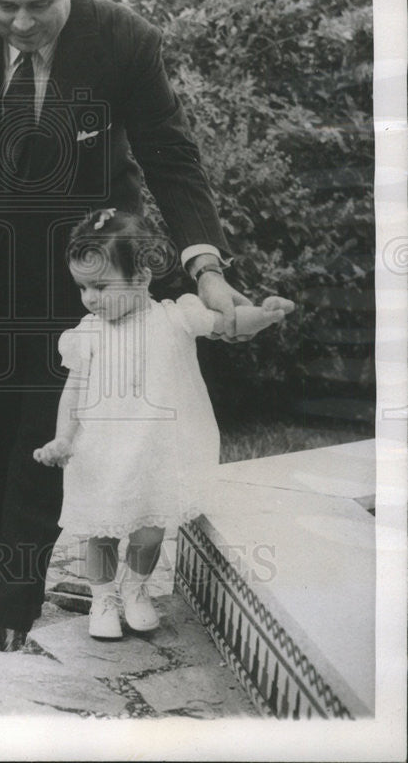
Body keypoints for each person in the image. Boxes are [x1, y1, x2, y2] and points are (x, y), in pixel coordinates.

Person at [0, 0, 271, 650]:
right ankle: (7, 591)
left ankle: (5, 610)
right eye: (6, 5)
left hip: (90, 275)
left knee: (44, 429)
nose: (22, 22)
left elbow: (170, 158)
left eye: (40, 4)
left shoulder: (123, 40)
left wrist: (207, 267)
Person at [33, 210, 293, 639]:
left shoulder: (176, 318)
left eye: (100, 286)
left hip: (155, 454)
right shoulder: (87, 334)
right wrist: (63, 438)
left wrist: (264, 316)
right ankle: (102, 599)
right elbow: (73, 393)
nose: (90, 298)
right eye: (82, 287)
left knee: (149, 532)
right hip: (101, 453)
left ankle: (135, 589)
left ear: (141, 277)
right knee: (100, 532)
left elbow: (227, 323)